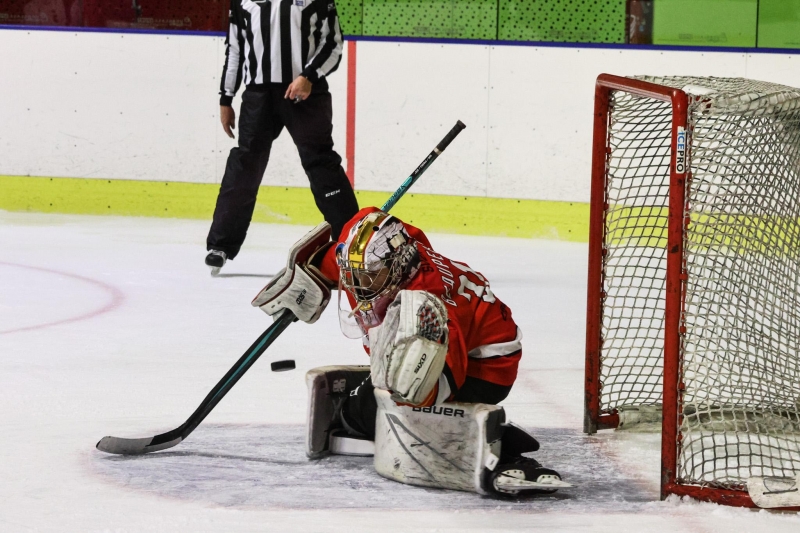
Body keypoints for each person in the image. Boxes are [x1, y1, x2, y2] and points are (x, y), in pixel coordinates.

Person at [253, 207, 568, 496]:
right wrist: (313, 274)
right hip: (466, 335)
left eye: (366, 275)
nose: (356, 283)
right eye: (352, 273)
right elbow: (364, 228)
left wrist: (411, 397)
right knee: (369, 405)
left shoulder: (430, 303)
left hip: (486, 366)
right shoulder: (381, 254)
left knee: (372, 411)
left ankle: (485, 443)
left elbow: (445, 378)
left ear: (397, 265)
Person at [205, 0, 359, 274]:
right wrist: (226, 98)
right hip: (258, 96)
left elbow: (333, 43)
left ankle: (353, 242)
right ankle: (221, 245)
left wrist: (308, 76)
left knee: (321, 163)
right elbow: (235, 49)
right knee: (244, 166)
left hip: (306, 94)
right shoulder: (242, 1)